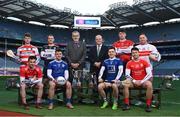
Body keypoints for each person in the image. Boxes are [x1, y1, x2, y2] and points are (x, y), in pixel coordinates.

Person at [122, 47, 153, 112]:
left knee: (149, 84)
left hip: (143, 82)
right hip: (133, 82)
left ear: (139, 53)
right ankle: (127, 104)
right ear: (131, 54)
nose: (134, 54)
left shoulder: (144, 62)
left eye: (136, 52)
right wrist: (134, 81)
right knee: (125, 83)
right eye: (133, 53)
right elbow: (127, 74)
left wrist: (141, 81)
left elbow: (149, 74)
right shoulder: (129, 63)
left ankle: (148, 105)